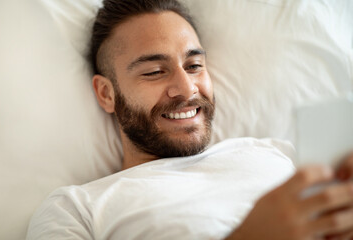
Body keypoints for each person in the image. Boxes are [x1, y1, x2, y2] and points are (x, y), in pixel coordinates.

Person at [27, 0, 353, 239]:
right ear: (106, 94)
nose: (186, 88)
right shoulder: (76, 209)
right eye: (155, 71)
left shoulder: (276, 152)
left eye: (194, 66)